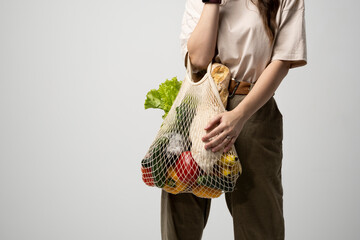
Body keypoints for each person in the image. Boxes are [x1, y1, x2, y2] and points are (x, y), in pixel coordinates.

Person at [161, 0, 307, 239]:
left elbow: (282, 61)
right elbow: (198, 60)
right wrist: (212, 3)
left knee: (260, 221)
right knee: (180, 215)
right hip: (199, 105)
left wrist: (240, 115)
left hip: (252, 109)